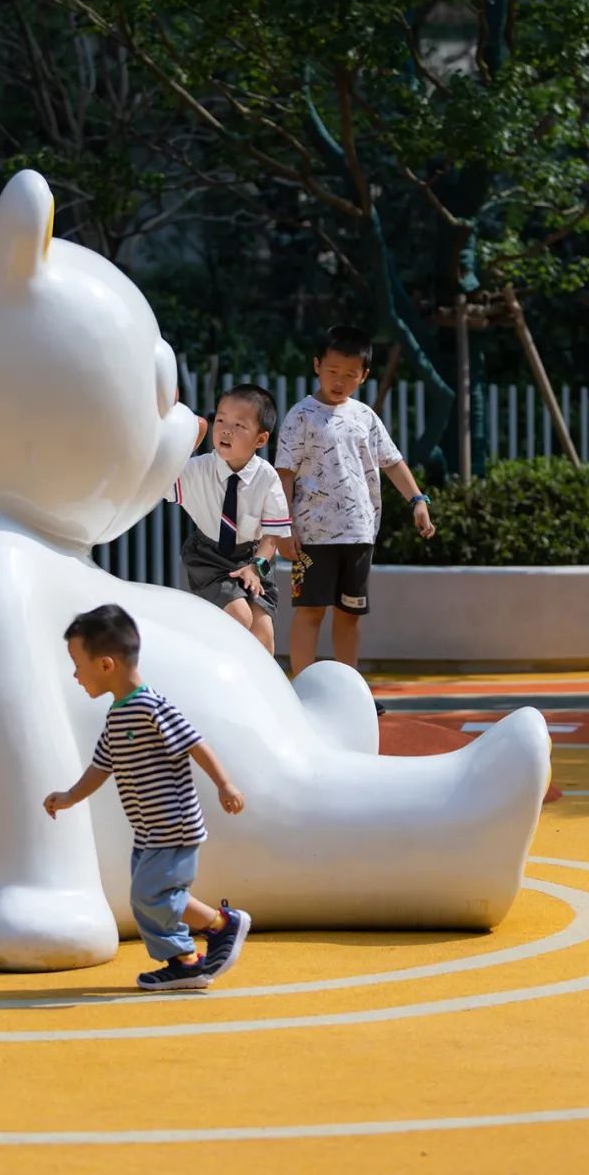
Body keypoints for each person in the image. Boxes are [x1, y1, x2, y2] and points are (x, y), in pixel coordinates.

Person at [43, 604, 251, 992]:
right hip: (149, 830)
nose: (74, 674)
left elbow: (195, 743)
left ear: (106, 665)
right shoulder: (117, 714)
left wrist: (226, 784)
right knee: (151, 898)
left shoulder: (151, 705)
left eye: (77, 663)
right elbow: (100, 767)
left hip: (174, 825)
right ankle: (185, 961)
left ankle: (221, 927)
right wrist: (71, 795)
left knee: (150, 895)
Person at [275, 325, 436, 695]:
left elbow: (393, 463)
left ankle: (351, 695)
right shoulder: (301, 416)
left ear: (364, 376)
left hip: (358, 533)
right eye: (332, 371)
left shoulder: (365, 417)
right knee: (311, 611)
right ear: (317, 366)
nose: (340, 380)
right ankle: (302, 691)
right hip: (311, 536)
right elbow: (283, 474)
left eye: (350, 374)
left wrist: (418, 501)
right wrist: (284, 527)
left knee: (350, 615)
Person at [169, 383, 291, 653]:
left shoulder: (266, 477)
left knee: (263, 633)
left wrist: (256, 567)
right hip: (209, 557)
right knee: (240, 616)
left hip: (252, 559)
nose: (225, 429)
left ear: (260, 440)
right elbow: (158, 479)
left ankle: (262, 692)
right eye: (221, 419)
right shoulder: (197, 469)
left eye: (239, 425)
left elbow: (271, 537)